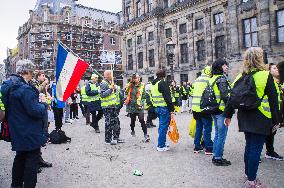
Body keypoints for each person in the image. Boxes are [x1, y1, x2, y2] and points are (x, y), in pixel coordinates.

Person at [224, 47, 281, 188]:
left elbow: (232, 98)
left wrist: (228, 115)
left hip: (244, 116)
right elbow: (274, 101)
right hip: (260, 116)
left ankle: (248, 174)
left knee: (249, 146)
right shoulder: (265, 75)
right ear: (260, 58)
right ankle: (251, 181)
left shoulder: (240, 75)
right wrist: (277, 120)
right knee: (255, 148)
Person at [2, 60, 48, 188]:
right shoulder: (24, 88)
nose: (32, 75)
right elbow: (35, 111)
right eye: (32, 72)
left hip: (16, 129)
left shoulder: (8, 85)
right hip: (29, 131)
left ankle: (15, 185)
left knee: (20, 158)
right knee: (31, 162)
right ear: (27, 71)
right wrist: (43, 104)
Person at [209, 59, 231, 166]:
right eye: (224, 65)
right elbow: (224, 96)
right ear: (219, 67)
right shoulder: (221, 79)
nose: (226, 67)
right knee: (222, 134)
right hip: (221, 110)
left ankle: (215, 155)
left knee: (217, 133)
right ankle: (218, 157)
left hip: (214, 109)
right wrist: (231, 108)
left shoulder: (212, 78)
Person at [31, 71, 53, 171]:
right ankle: (34, 162)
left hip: (43, 110)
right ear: (38, 76)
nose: (44, 77)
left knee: (42, 134)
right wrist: (44, 84)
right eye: (43, 76)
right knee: (37, 135)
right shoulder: (34, 83)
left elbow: (43, 97)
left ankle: (39, 159)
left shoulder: (42, 85)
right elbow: (36, 92)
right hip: (37, 112)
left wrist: (49, 101)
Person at [191, 66, 213, 155]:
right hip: (204, 108)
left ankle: (197, 147)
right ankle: (208, 148)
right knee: (207, 129)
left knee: (199, 128)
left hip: (195, 108)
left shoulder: (197, 79)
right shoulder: (209, 80)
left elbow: (192, 92)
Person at [150, 69, 175, 151]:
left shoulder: (153, 84)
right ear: (164, 75)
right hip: (164, 107)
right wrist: (172, 109)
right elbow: (168, 97)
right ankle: (161, 145)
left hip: (157, 107)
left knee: (162, 126)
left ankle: (162, 142)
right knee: (163, 127)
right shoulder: (162, 83)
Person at [264, 63, 283, 160]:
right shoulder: (269, 82)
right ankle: (257, 153)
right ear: (269, 71)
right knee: (265, 133)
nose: (277, 69)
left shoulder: (278, 82)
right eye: (274, 68)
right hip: (268, 112)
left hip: (276, 111)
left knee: (272, 132)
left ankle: (270, 151)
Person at [125, 74, 150, 142]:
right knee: (133, 120)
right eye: (136, 78)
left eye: (139, 77)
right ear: (133, 79)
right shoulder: (129, 85)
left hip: (139, 105)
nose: (138, 79)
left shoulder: (142, 85)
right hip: (131, 106)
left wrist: (141, 103)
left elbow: (144, 95)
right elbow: (126, 93)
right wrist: (126, 99)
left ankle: (145, 134)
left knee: (142, 119)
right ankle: (132, 130)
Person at [100, 70, 123, 145]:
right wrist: (111, 89)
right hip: (107, 107)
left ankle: (116, 137)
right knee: (109, 123)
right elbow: (102, 95)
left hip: (113, 106)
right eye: (111, 74)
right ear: (108, 75)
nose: (113, 76)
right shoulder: (104, 83)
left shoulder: (110, 83)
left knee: (116, 122)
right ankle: (108, 139)